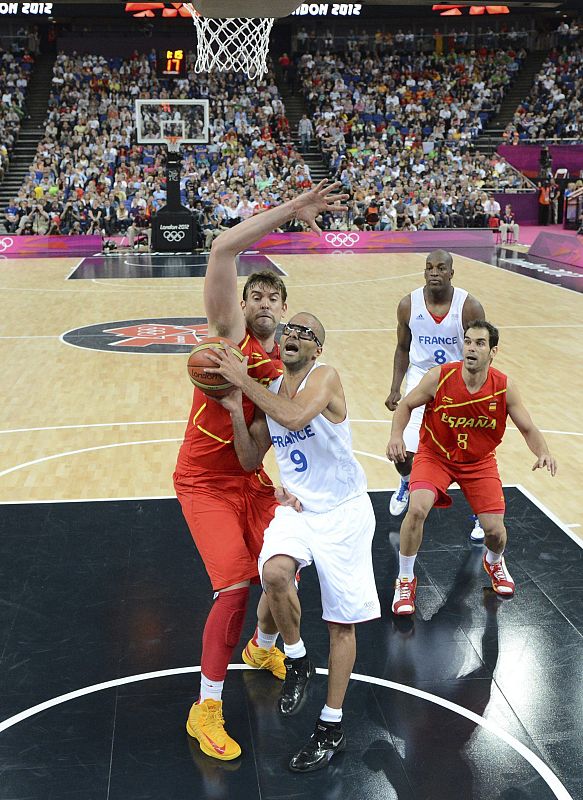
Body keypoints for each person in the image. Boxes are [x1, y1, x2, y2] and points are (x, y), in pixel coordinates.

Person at [175, 181, 348, 763]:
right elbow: (223, 249)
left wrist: (284, 488)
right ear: (243, 305)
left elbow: (262, 451)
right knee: (232, 587)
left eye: (276, 296)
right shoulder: (226, 336)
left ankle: (264, 644)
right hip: (204, 480)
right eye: (258, 294)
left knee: (284, 567)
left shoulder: (285, 370)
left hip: (249, 477)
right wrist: (292, 212)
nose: (267, 303)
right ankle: (205, 709)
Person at [206, 311, 380, 772]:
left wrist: (243, 382)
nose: (295, 336)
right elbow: (247, 459)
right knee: (274, 573)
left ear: (317, 349)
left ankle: (330, 726)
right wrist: (234, 415)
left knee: (341, 626)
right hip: (300, 511)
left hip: (344, 514)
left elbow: (296, 414)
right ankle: (297, 659)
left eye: (307, 333)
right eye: (291, 330)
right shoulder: (272, 394)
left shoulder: (325, 378)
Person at [386, 320, 557, 616]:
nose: (471, 348)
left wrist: (543, 452)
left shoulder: (503, 387)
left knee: (495, 532)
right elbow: (405, 405)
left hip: (478, 462)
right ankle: (405, 578)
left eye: (479, 343)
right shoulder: (439, 377)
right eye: (467, 341)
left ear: (493, 351)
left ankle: (493, 561)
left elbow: (527, 427)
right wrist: (396, 436)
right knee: (416, 510)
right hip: (435, 455)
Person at [384, 250, 485, 542]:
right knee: (401, 448)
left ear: (452, 273)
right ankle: (405, 481)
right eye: (429, 267)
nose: (434, 272)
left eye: (441, 268)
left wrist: (479, 389)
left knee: (471, 456)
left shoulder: (469, 307)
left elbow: (481, 350)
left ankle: (479, 512)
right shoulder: (408, 305)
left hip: (458, 381)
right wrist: (395, 387)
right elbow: (402, 348)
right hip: (419, 380)